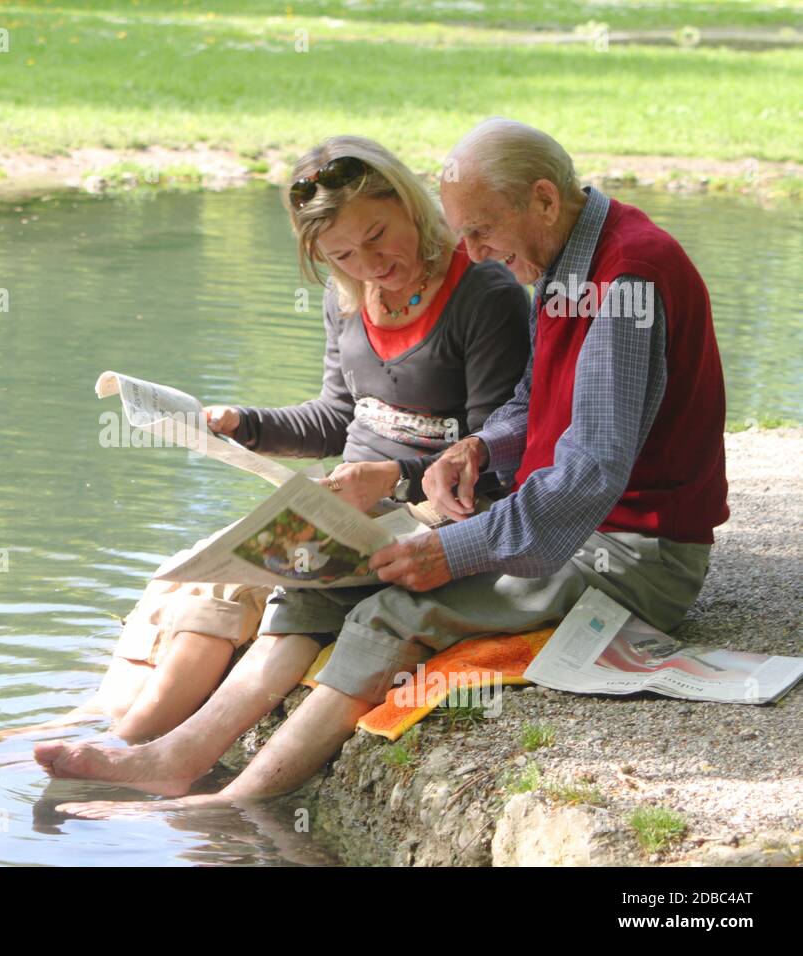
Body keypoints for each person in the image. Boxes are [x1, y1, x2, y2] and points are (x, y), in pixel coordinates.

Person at [42, 118, 729, 817]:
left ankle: (235, 803)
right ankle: (173, 759)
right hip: (564, 526)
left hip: (630, 552)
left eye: (481, 232)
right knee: (309, 590)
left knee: (392, 611)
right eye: (464, 232)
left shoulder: (624, 279)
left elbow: (588, 474)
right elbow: (533, 402)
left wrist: (451, 547)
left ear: (545, 202)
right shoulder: (566, 258)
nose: (473, 251)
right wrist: (479, 447)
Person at [22, 132, 528, 759]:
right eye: (341, 253)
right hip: (352, 503)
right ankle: (104, 722)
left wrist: (392, 476)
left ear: (409, 204)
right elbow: (337, 417)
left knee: (243, 582)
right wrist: (243, 424)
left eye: (377, 235)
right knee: (191, 576)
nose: (368, 264)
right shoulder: (347, 298)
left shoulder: (484, 294)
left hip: (432, 513)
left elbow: (491, 458)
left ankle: (131, 743)